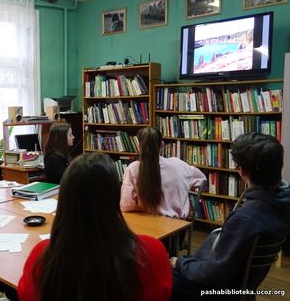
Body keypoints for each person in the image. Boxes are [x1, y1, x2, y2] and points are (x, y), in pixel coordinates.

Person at [17, 153, 172, 301]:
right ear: (114, 195)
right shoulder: (151, 253)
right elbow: (162, 293)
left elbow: (25, 294)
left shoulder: (42, 258)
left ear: (64, 199)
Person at [170, 133, 290, 299]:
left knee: (162, 276)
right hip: (244, 284)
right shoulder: (283, 201)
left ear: (242, 171)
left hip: (222, 289)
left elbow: (212, 275)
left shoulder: (246, 218)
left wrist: (180, 263)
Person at [120, 127, 206, 218]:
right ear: (162, 145)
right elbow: (202, 180)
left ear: (139, 147)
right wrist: (183, 188)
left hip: (148, 224)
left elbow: (126, 206)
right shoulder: (178, 164)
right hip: (178, 226)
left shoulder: (133, 169)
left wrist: (145, 207)